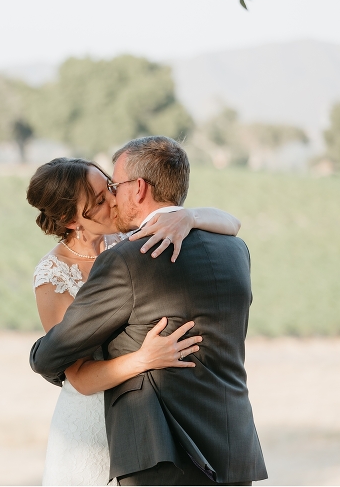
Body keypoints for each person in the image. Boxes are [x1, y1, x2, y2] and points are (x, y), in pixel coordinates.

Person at [29, 137, 267, 485]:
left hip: (156, 451)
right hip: (232, 445)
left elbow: (48, 356)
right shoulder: (234, 250)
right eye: (100, 197)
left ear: (138, 188)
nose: (112, 200)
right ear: (70, 220)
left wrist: (187, 216)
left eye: (113, 186)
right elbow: (75, 373)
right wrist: (143, 359)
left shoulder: (127, 256)